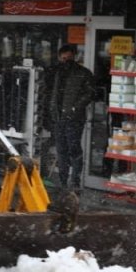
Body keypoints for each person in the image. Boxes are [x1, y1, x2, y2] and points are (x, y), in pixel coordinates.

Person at [43, 44, 96, 190]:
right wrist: (51, 113)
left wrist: (74, 108)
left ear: (74, 56)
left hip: (74, 118)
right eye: (63, 57)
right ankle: (64, 181)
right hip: (59, 117)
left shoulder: (83, 73)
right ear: (60, 57)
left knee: (73, 149)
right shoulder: (57, 72)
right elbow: (51, 93)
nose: (66, 60)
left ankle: (74, 181)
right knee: (61, 150)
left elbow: (90, 93)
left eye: (69, 57)